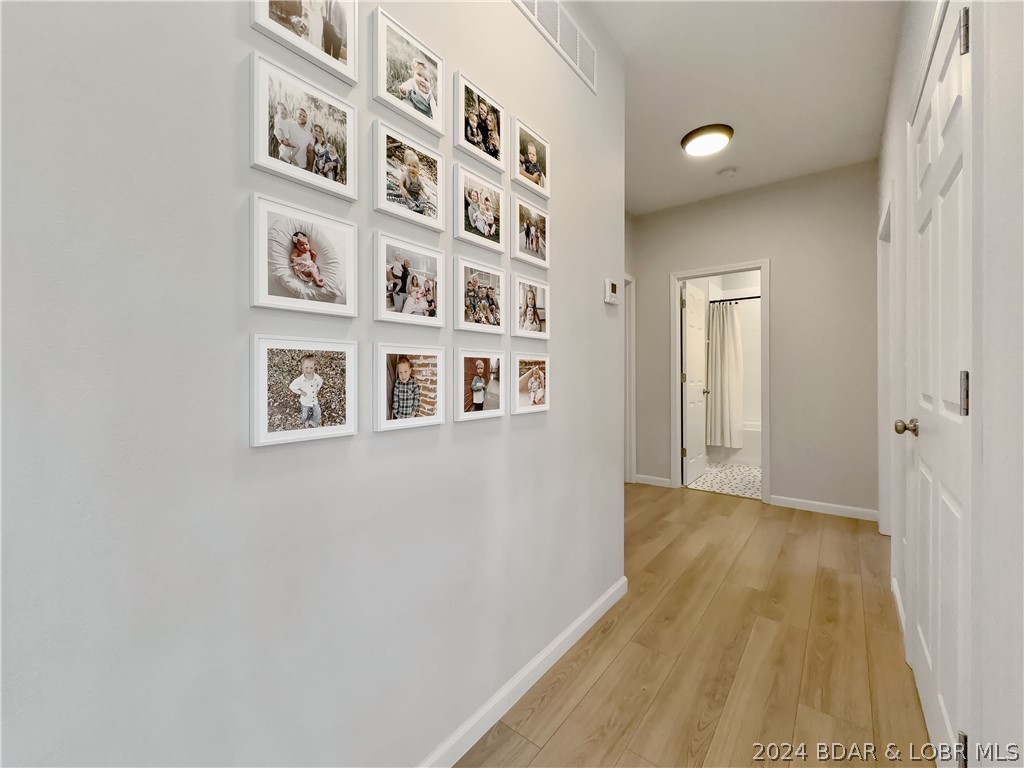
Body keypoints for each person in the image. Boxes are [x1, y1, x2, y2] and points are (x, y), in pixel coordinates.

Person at [289, 354, 324, 428]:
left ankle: (313, 421)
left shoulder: (316, 377)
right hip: (305, 401)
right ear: (302, 367)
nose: (309, 370)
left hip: (314, 400)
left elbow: (321, 381)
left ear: (314, 367)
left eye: (311, 368)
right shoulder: (300, 380)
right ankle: (305, 420)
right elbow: (292, 387)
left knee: (318, 412)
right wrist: (301, 392)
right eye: (306, 367)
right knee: (305, 414)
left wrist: (318, 389)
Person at [275, 105, 314, 171]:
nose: (302, 117)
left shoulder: (309, 134)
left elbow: (310, 151)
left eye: (304, 116)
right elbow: (278, 132)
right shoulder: (288, 123)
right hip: (284, 159)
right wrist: (282, 140)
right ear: (295, 115)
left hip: (300, 165)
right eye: (300, 114)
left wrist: (310, 167)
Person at [400, 148, 429, 212]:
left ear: (418, 169)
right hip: (407, 192)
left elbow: (423, 188)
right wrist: (403, 189)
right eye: (409, 165)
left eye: (414, 166)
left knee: (422, 198)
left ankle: (424, 207)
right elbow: (400, 183)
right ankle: (413, 207)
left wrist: (427, 194)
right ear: (406, 164)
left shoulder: (418, 178)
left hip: (416, 194)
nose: (411, 168)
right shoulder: (405, 174)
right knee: (407, 198)